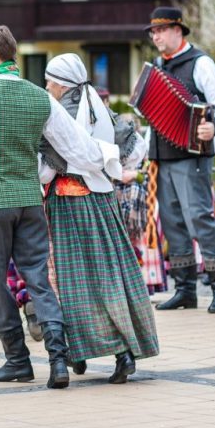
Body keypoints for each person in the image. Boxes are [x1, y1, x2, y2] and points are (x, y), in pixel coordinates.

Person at [0, 27, 122, 387]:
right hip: (29, 200)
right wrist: (113, 156)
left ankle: (17, 360)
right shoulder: (41, 98)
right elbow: (77, 150)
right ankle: (58, 359)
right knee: (38, 277)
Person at [37, 53, 158, 384]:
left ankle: (81, 353)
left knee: (73, 281)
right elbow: (134, 152)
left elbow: (46, 172)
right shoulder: (100, 110)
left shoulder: (57, 117)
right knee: (110, 276)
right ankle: (125, 352)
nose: (47, 86)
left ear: (61, 84)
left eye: (50, 81)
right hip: (104, 203)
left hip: (68, 206)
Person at [145, 7, 215, 313]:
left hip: (193, 154)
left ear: (178, 30)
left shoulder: (201, 64)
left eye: (161, 30)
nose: (156, 36)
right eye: (153, 32)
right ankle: (185, 290)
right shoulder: (157, 67)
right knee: (172, 222)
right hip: (163, 154)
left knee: (200, 218)